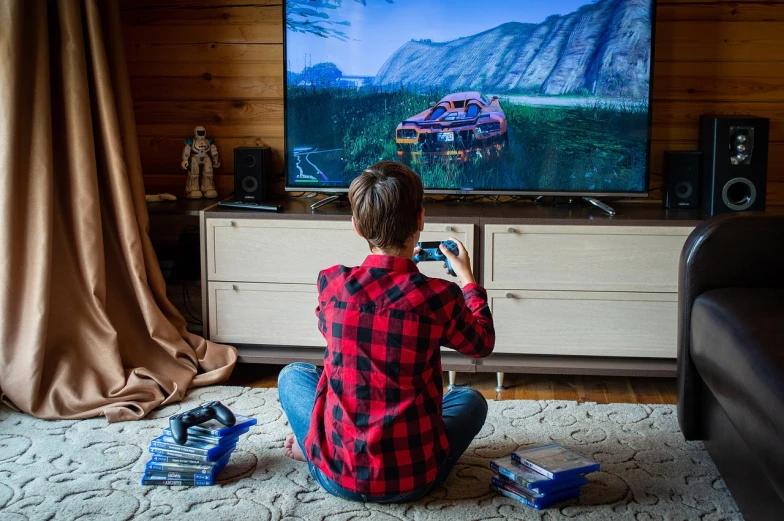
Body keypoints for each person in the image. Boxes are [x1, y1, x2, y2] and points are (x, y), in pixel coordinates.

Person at [278, 161, 495, 502]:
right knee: (471, 400)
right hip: (415, 479)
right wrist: (467, 279)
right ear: (420, 220)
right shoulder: (439, 296)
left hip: (337, 476)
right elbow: (482, 343)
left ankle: (314, 446)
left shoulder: (332, 283)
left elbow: (331, 326)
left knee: (292, 375)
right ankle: (316, 445)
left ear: (357, 227)